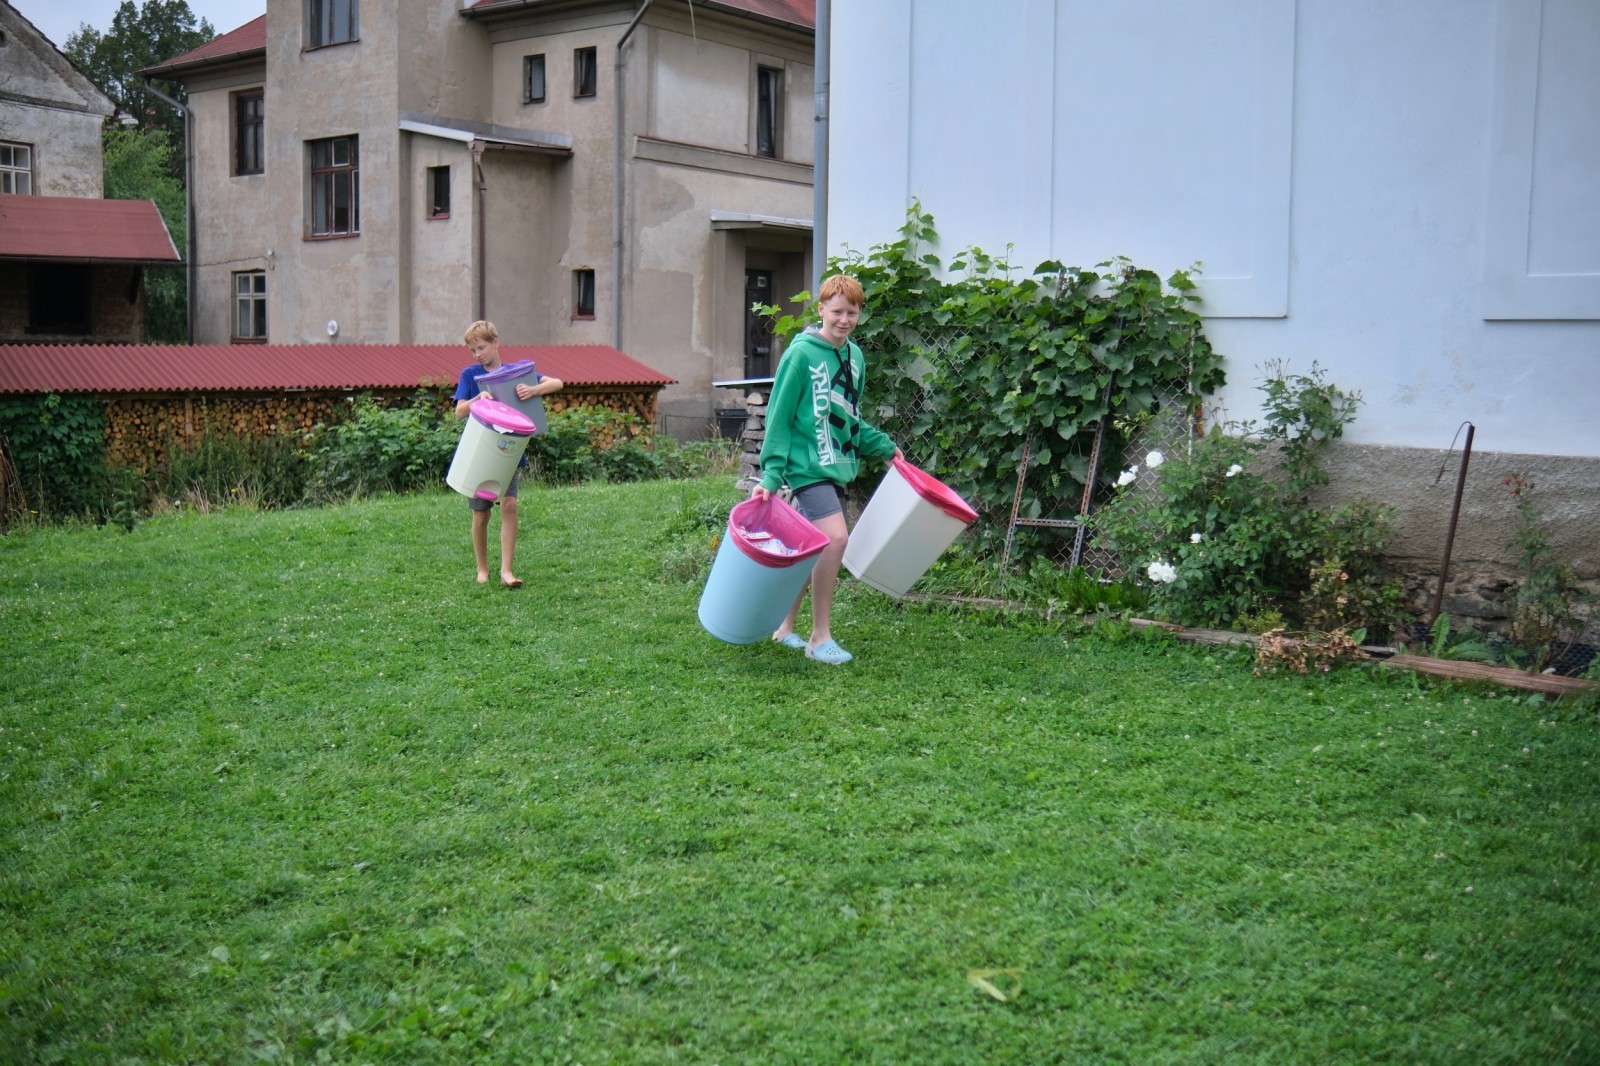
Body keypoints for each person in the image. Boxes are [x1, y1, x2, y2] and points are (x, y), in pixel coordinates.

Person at [751, 274, 902, 664]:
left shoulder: (855, 358)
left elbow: (850, 419)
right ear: (821, 310)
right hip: (807, 468)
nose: (844, 320)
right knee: (835, 539)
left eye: (852, 313)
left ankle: (784, 628)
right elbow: (779, 417)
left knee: (808, 550)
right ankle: (819, 638)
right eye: (836, 311)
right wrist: (771, 474)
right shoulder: (800, 355)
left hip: (837, 468)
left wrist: (884, 448)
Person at [454, 320, 564, 588]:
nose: (477, 354)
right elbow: (459, 411)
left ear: (496, 343)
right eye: (473, 350)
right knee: (481, 514)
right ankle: (482, 569)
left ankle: (507, 571)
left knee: (510, 505)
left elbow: (557, 383)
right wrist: (477, 399)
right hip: (480, 451)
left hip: (510, 451)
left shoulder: (516, 374)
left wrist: (533, 390)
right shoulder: (470, 375)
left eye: (481, 348)